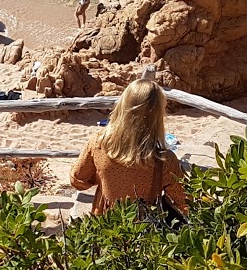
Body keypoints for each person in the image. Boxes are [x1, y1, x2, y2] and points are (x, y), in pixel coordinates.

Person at [69, 79, 188, 217]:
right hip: (144, 229)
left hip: (104, 225)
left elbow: (77, 180)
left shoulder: (99, 143)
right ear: (157, 115)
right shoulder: (164, 159)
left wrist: (102, 175)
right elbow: (183, 200)